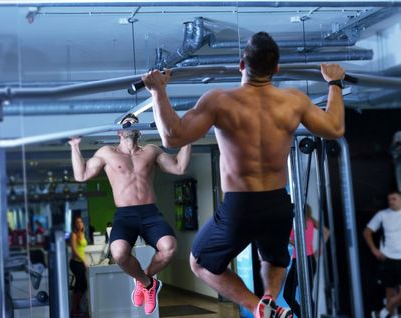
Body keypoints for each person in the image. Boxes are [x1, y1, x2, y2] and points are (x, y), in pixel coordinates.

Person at [143, 31, 346, 318]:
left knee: (200, 263)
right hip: (277, 202)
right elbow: (335, 128)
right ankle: (270, 301)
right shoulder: (294, 101)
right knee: (275, 258)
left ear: (241, 64)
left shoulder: (220, 100)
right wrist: (334, 84)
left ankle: (256, 307)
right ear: (276, 69)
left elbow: (172, 137)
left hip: (240, 205)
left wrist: (158, 91)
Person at [69, 114, 191, 315]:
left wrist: (188, 141)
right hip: (125, 215)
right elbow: (80, 175)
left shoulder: (151, 151)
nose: (130, 124)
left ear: (139, 130)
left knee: (169, 248)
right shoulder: (107, 153)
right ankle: (147, 283)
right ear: (119, 131)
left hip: (150, 212)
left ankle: (145, 280)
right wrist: (74, 146)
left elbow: (179, 167)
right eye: (126, 123)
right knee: (118, 253)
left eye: (134, 122)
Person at [283, 205, 329, 318]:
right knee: (307, 295)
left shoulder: (295, 223)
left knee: (288, 294)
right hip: (310, 259)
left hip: (300, 260)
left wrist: (290, 241)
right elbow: (326, 232)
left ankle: (303, 315)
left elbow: (294, 241)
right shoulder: (310, 220)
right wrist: (319, 250)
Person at [70, 216, 88, 317]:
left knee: (81, 285)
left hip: (81, 262)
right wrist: (83, 260)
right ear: (75, 224)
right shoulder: (73, 235)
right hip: (75, 263)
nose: (79, 224)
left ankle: (76, 309)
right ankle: (74, 309)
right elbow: (74, 250)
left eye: (80, 222)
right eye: (77, 222)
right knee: (80, 284)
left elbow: (82, 250)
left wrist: (85, 260)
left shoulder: (82, 234)